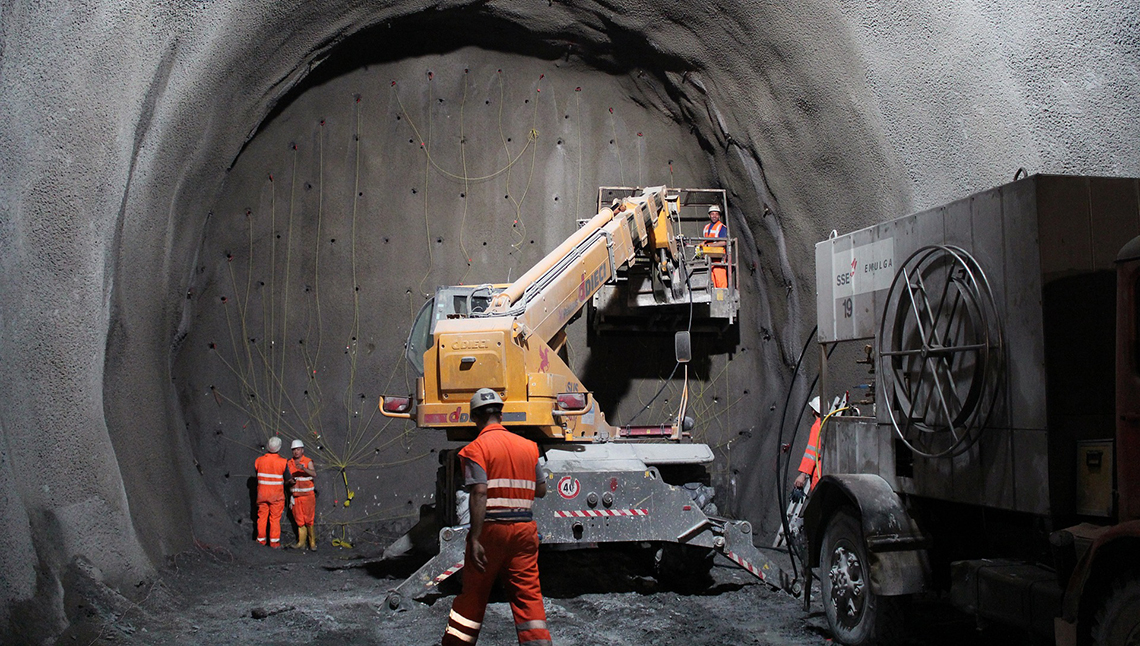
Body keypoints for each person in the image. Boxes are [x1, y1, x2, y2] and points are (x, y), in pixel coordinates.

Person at [442, 388, 552, 646]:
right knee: (528, 597)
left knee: (473, 596)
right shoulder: (529, 447)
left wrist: (475, 538)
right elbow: (542, 489)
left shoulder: (475, 449)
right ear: (501, 415)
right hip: (524, 531)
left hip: (491, 532)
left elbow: (479, 493)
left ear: (475, 418)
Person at [254, 436, 292, 548]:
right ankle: (274, 543)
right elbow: (288, 478)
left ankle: (260, 541)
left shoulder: (259, 461)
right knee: (274, 519)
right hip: (276, 496)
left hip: (262, 494)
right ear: (279, 448)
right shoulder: (283, 462)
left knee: (261, 518)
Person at [287, 439, 317, 550]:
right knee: (299, 519)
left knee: (309, 519)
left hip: (308, 495)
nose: (296, 452)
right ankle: (301, 542)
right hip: (296, 496)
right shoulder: (289, 463)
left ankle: (312, 542)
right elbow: (285, 479)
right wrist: (289, 482)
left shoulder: (308, 461)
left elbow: (314, 473)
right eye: (294, 450)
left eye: (298, 449)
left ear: (302, 450)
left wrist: (303, 469)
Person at [793, 396, 823, 497]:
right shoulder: (831, 424)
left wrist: (803, 475)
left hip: (819, 474)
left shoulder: (817, 426)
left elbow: (812, 452)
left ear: (813, 411)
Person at [702, 204, 729, 288]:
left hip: (718, 259)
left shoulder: (722, 227)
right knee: (711, 282)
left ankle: (722, 299)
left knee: (720, 281)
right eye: (712, 214)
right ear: (709, 215)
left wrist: (710, 245)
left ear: (719, 216)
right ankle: (713, 299)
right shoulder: (706, 227)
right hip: (709, 259)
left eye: (716, 214)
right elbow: (705, 241)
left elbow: (724, 242)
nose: (714, 216)